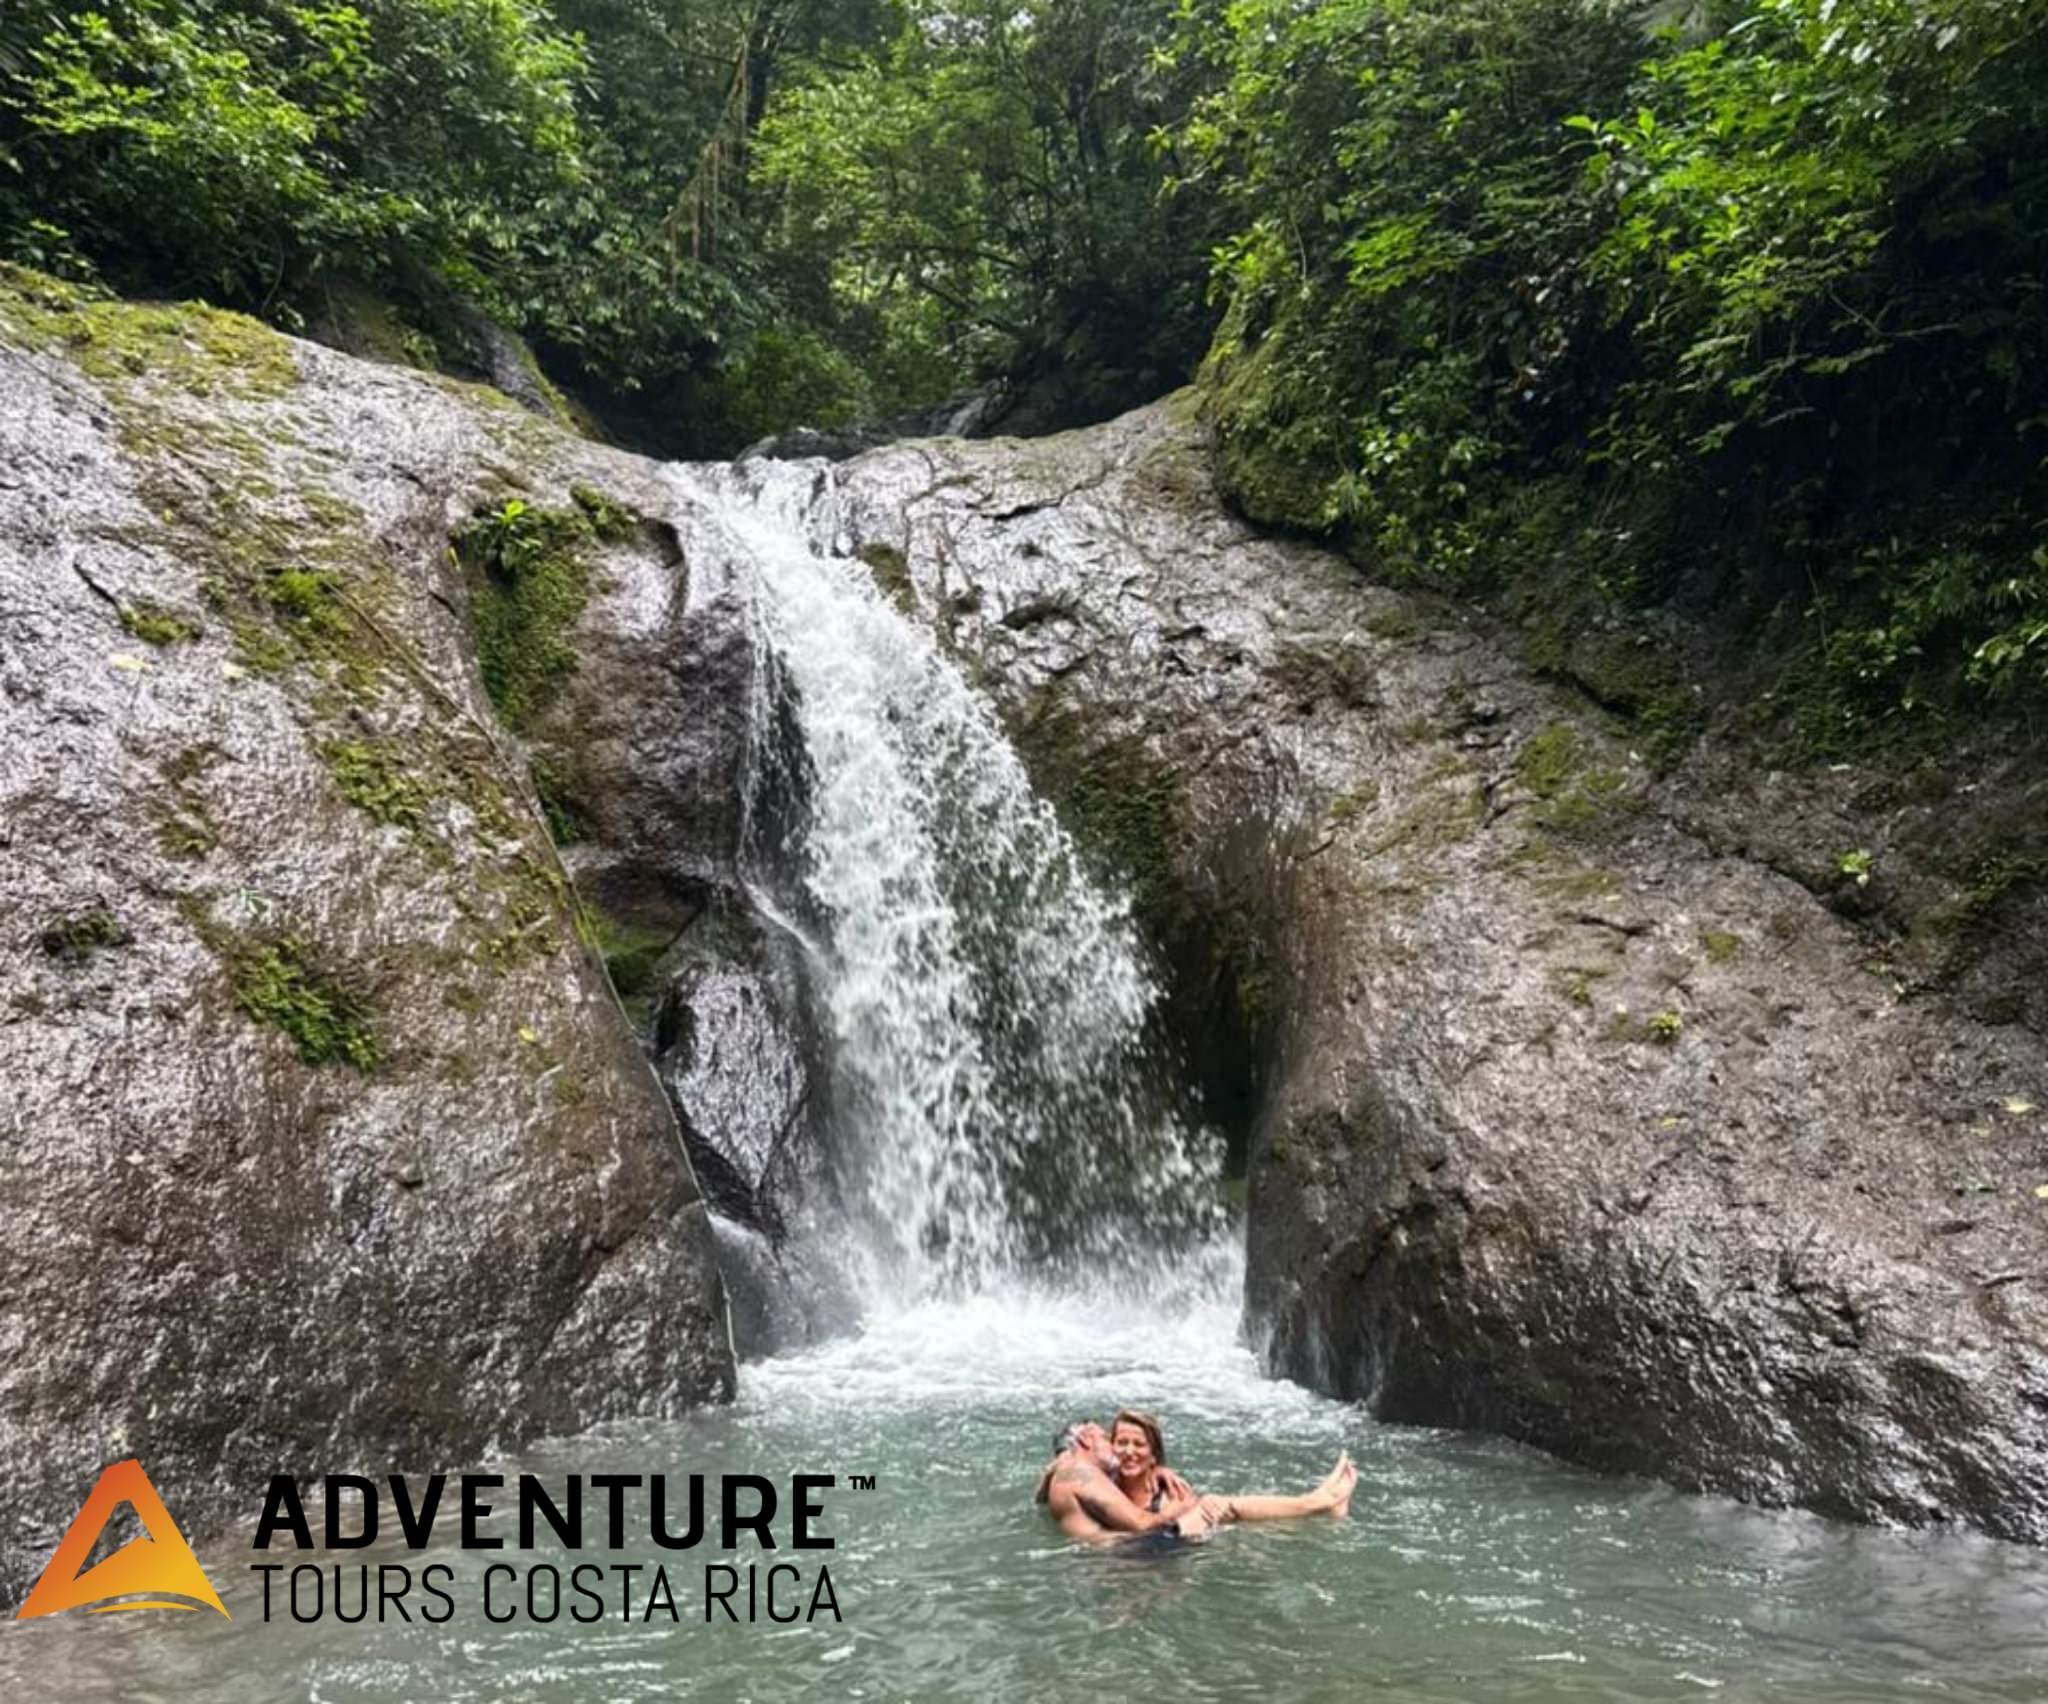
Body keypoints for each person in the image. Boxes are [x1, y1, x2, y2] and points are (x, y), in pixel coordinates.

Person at [1108, 1407, 1356, 1522]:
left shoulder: (1169, 1495)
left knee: (1221, 1507)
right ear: (1111, 1446)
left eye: (1139, 1445)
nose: (1129, 1451)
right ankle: (1320, 1502)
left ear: (1153, 1455)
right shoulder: (1101, 1480)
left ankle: (1318, 1501)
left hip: (1174, 1553)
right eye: (1122, 1442)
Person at [1038, 1421, 1232, 1545]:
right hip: (1132, 1554)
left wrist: (1156, 1468)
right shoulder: (1080, 1470)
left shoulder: (1065, 1473)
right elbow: (1141, 1524)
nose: (1115, 1448)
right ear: (1087, 1439)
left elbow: (1042, 1497)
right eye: (1107, 1438)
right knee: (1220, 1506)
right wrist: (1180, 1508)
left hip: (1106, 1563)